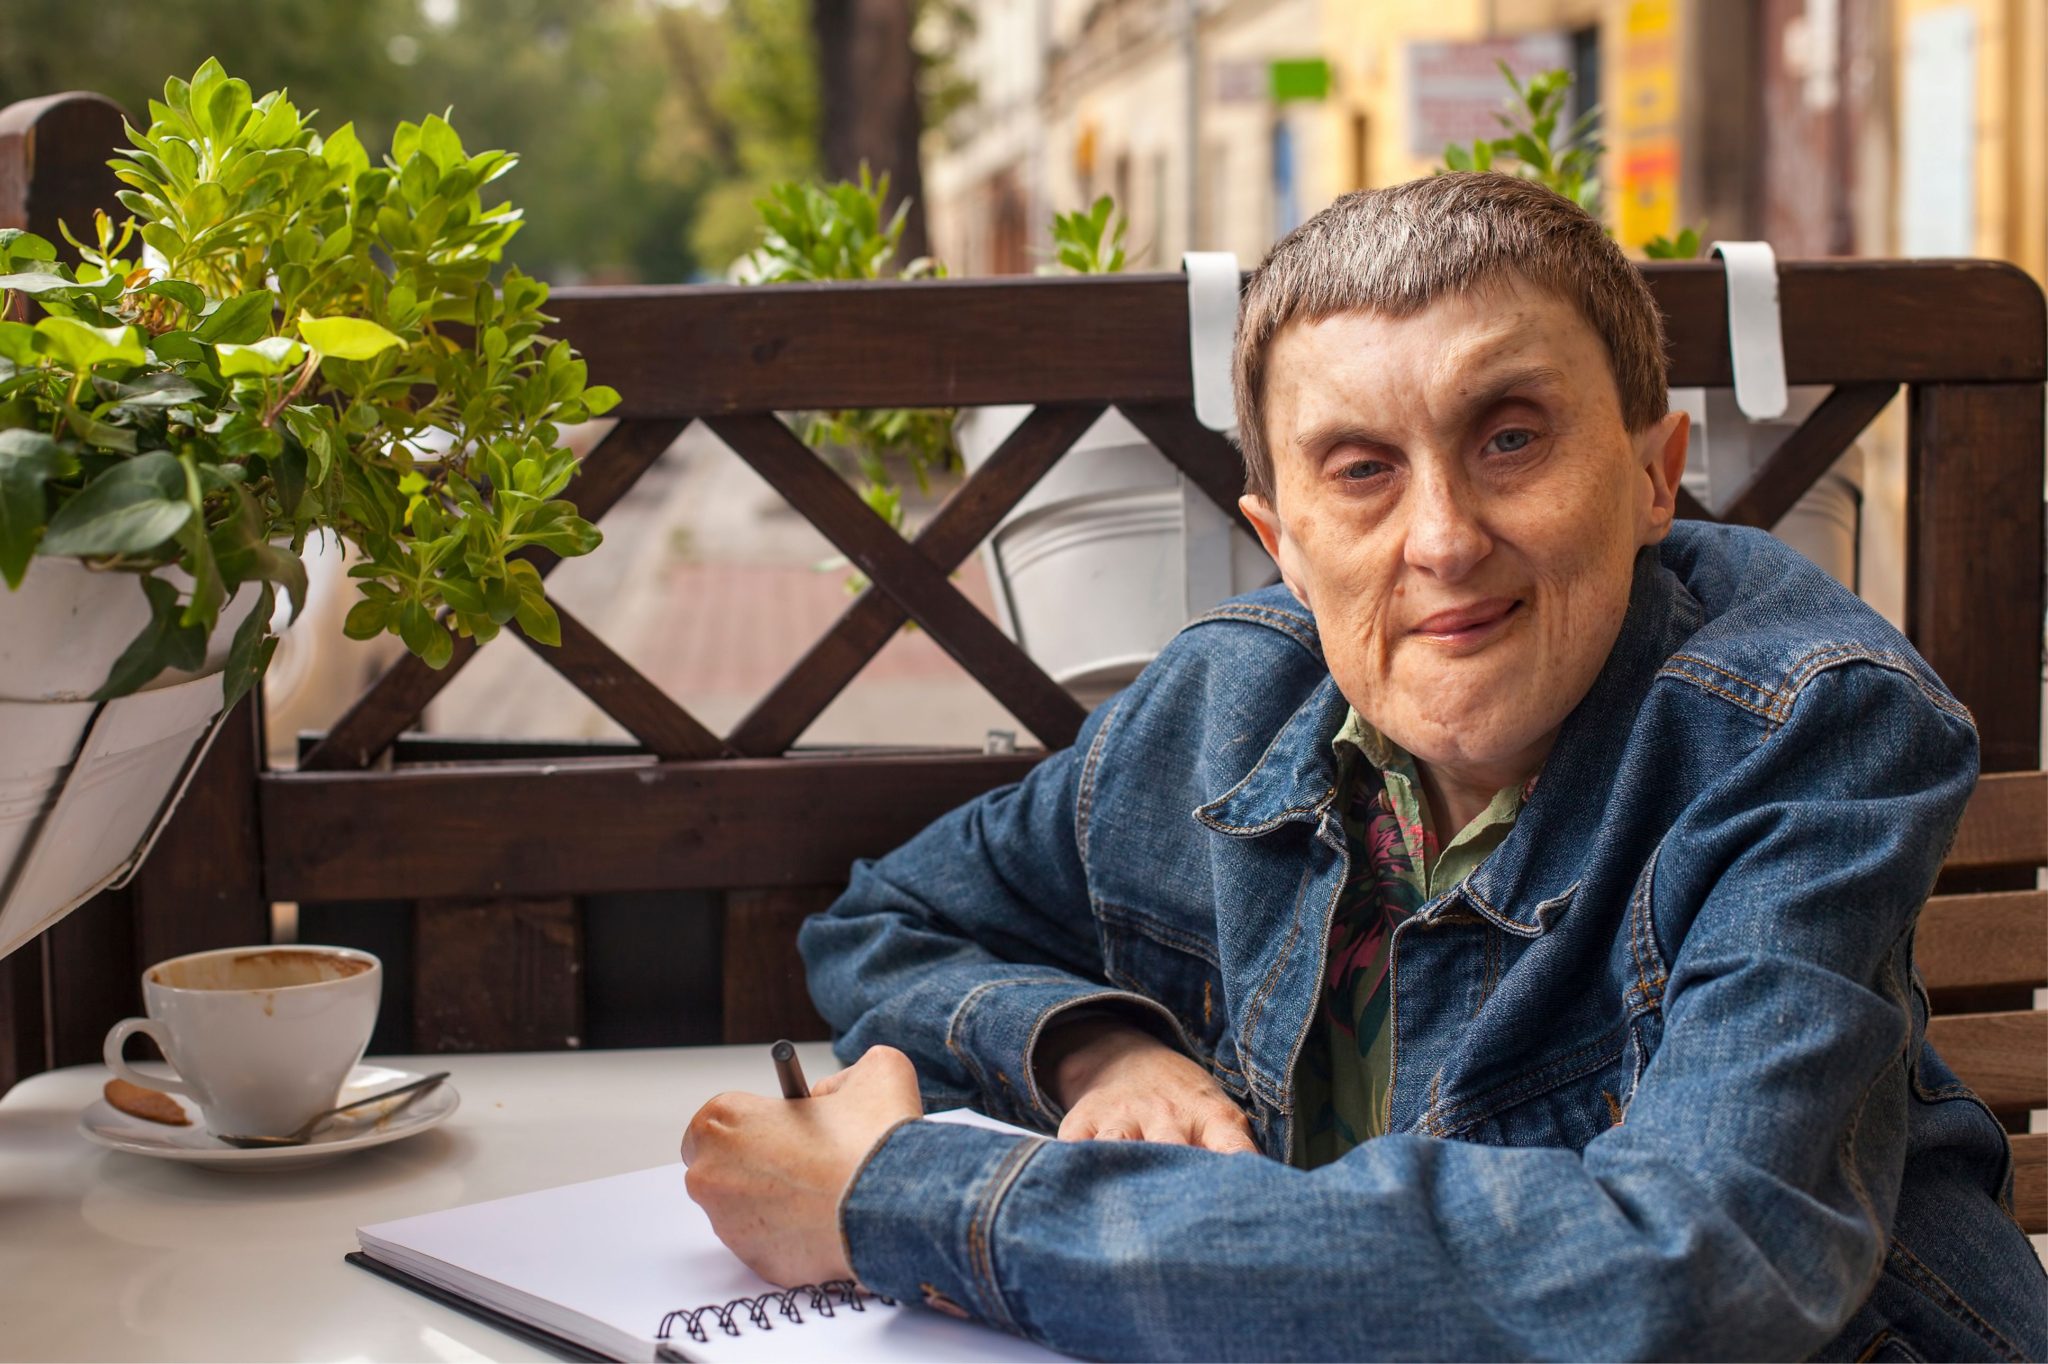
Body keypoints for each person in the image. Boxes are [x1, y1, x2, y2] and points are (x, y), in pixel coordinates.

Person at [679, 173, 2047, 1361]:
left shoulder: (1805, 734)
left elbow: (1683, 1274)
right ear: (1280, 541)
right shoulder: (1230, 699)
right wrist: (1097, 1047)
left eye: (1510, 436)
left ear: (1654, 476)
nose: (1443, 539)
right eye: (1360, 469)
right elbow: (889, 923)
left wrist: (898, 1200)